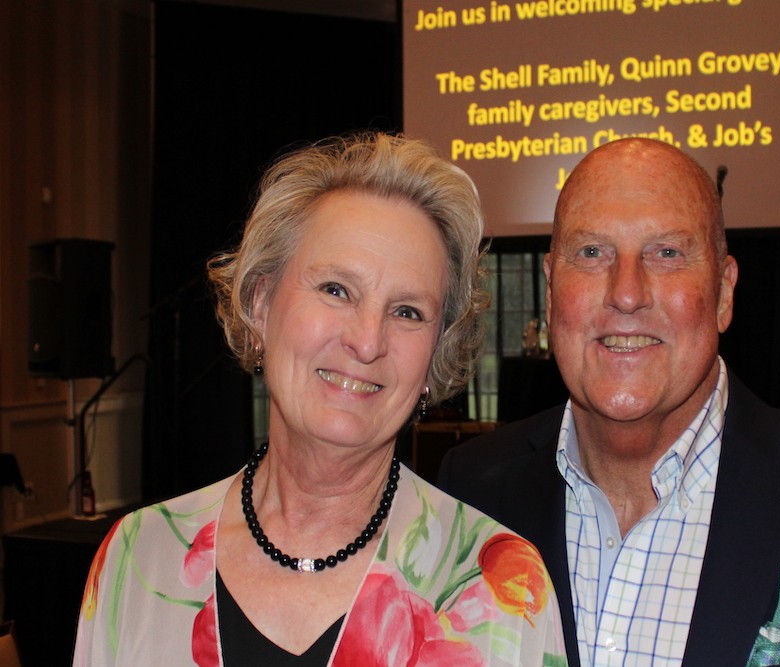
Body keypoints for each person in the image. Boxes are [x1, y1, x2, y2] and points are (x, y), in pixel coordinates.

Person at [438, 138, 780, 666]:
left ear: (724, 293)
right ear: (552, 292)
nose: (626, 293)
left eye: (666, 253)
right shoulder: (469, 494)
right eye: (592, 252)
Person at [73, 133, 567, 666]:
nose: (367, 341)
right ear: (260, 305)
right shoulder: (138, 557)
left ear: (435, 355)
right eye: (336, 290)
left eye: (407, 312)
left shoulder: (500, 589)